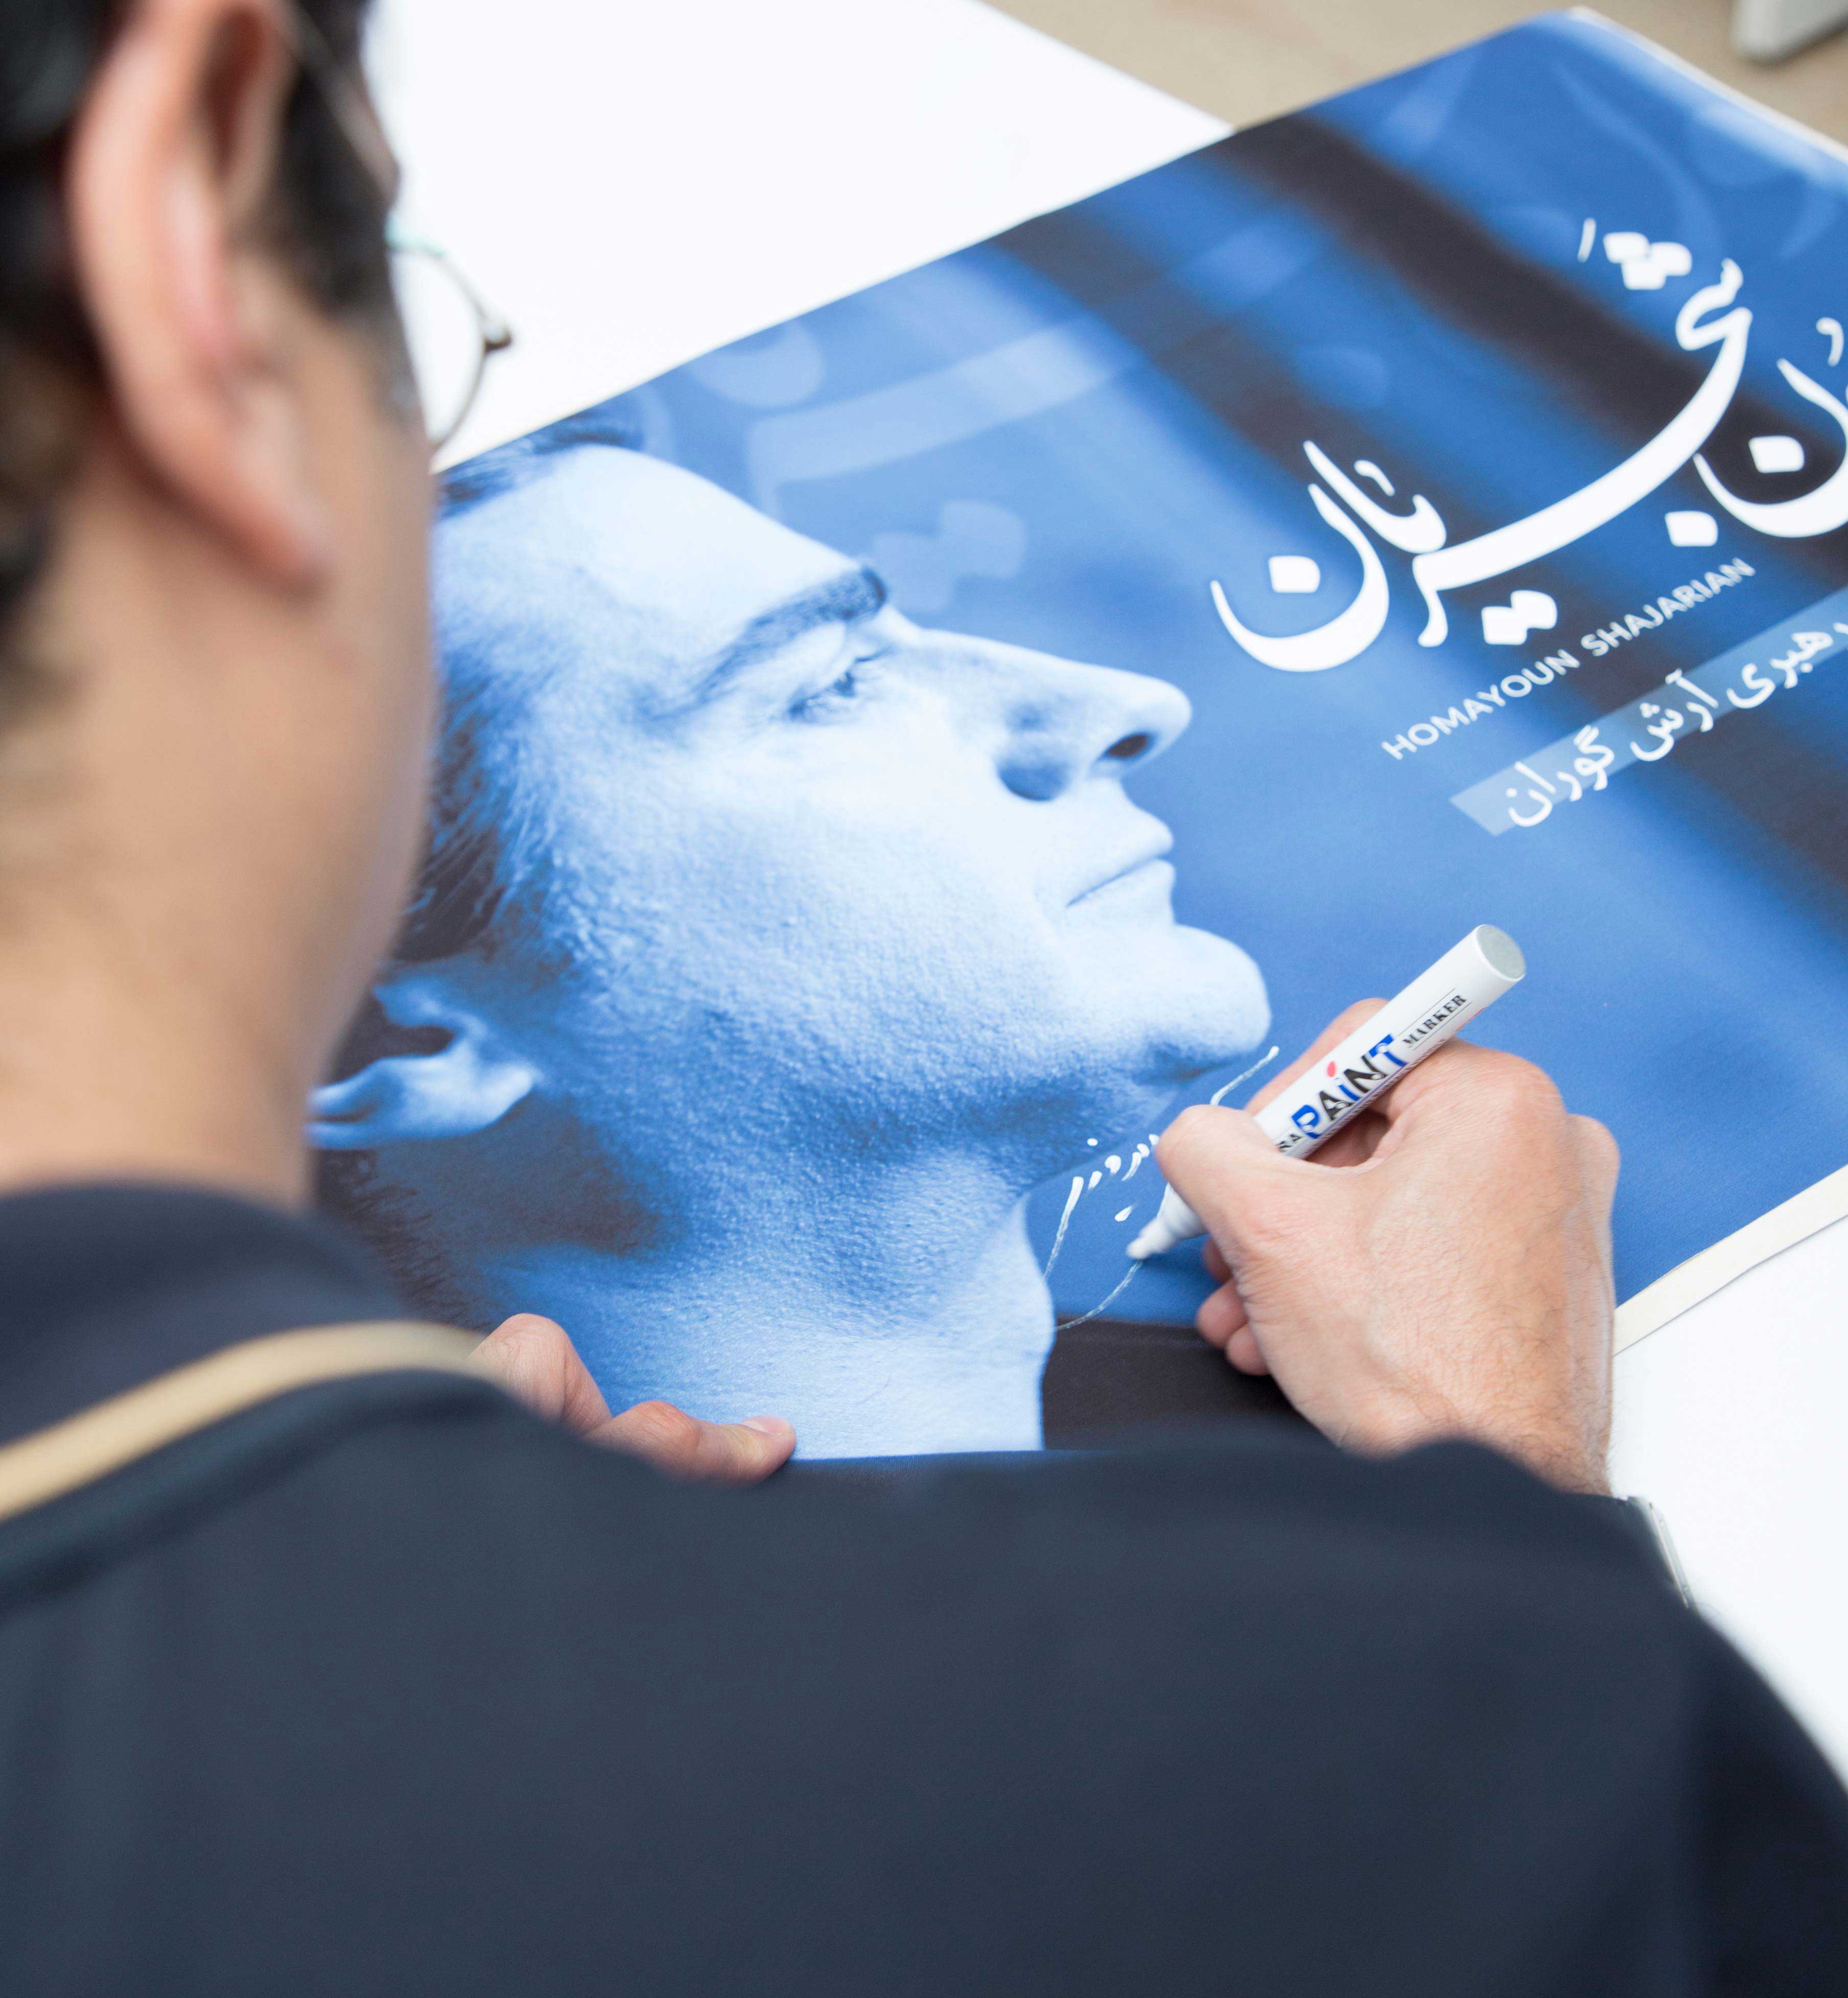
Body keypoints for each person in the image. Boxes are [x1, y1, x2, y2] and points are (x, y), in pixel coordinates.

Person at [0, 0, 1848, 1998]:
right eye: (401, 318)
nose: (1113, 704)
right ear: (188, 228)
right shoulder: (1455, 1823)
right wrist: (1482, 1567)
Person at [310, 417, 1271, 1452]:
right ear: (401, 1043)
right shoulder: (1352, 1441)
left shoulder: (1312, 1415)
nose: (1121, 705)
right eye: (830, 684)